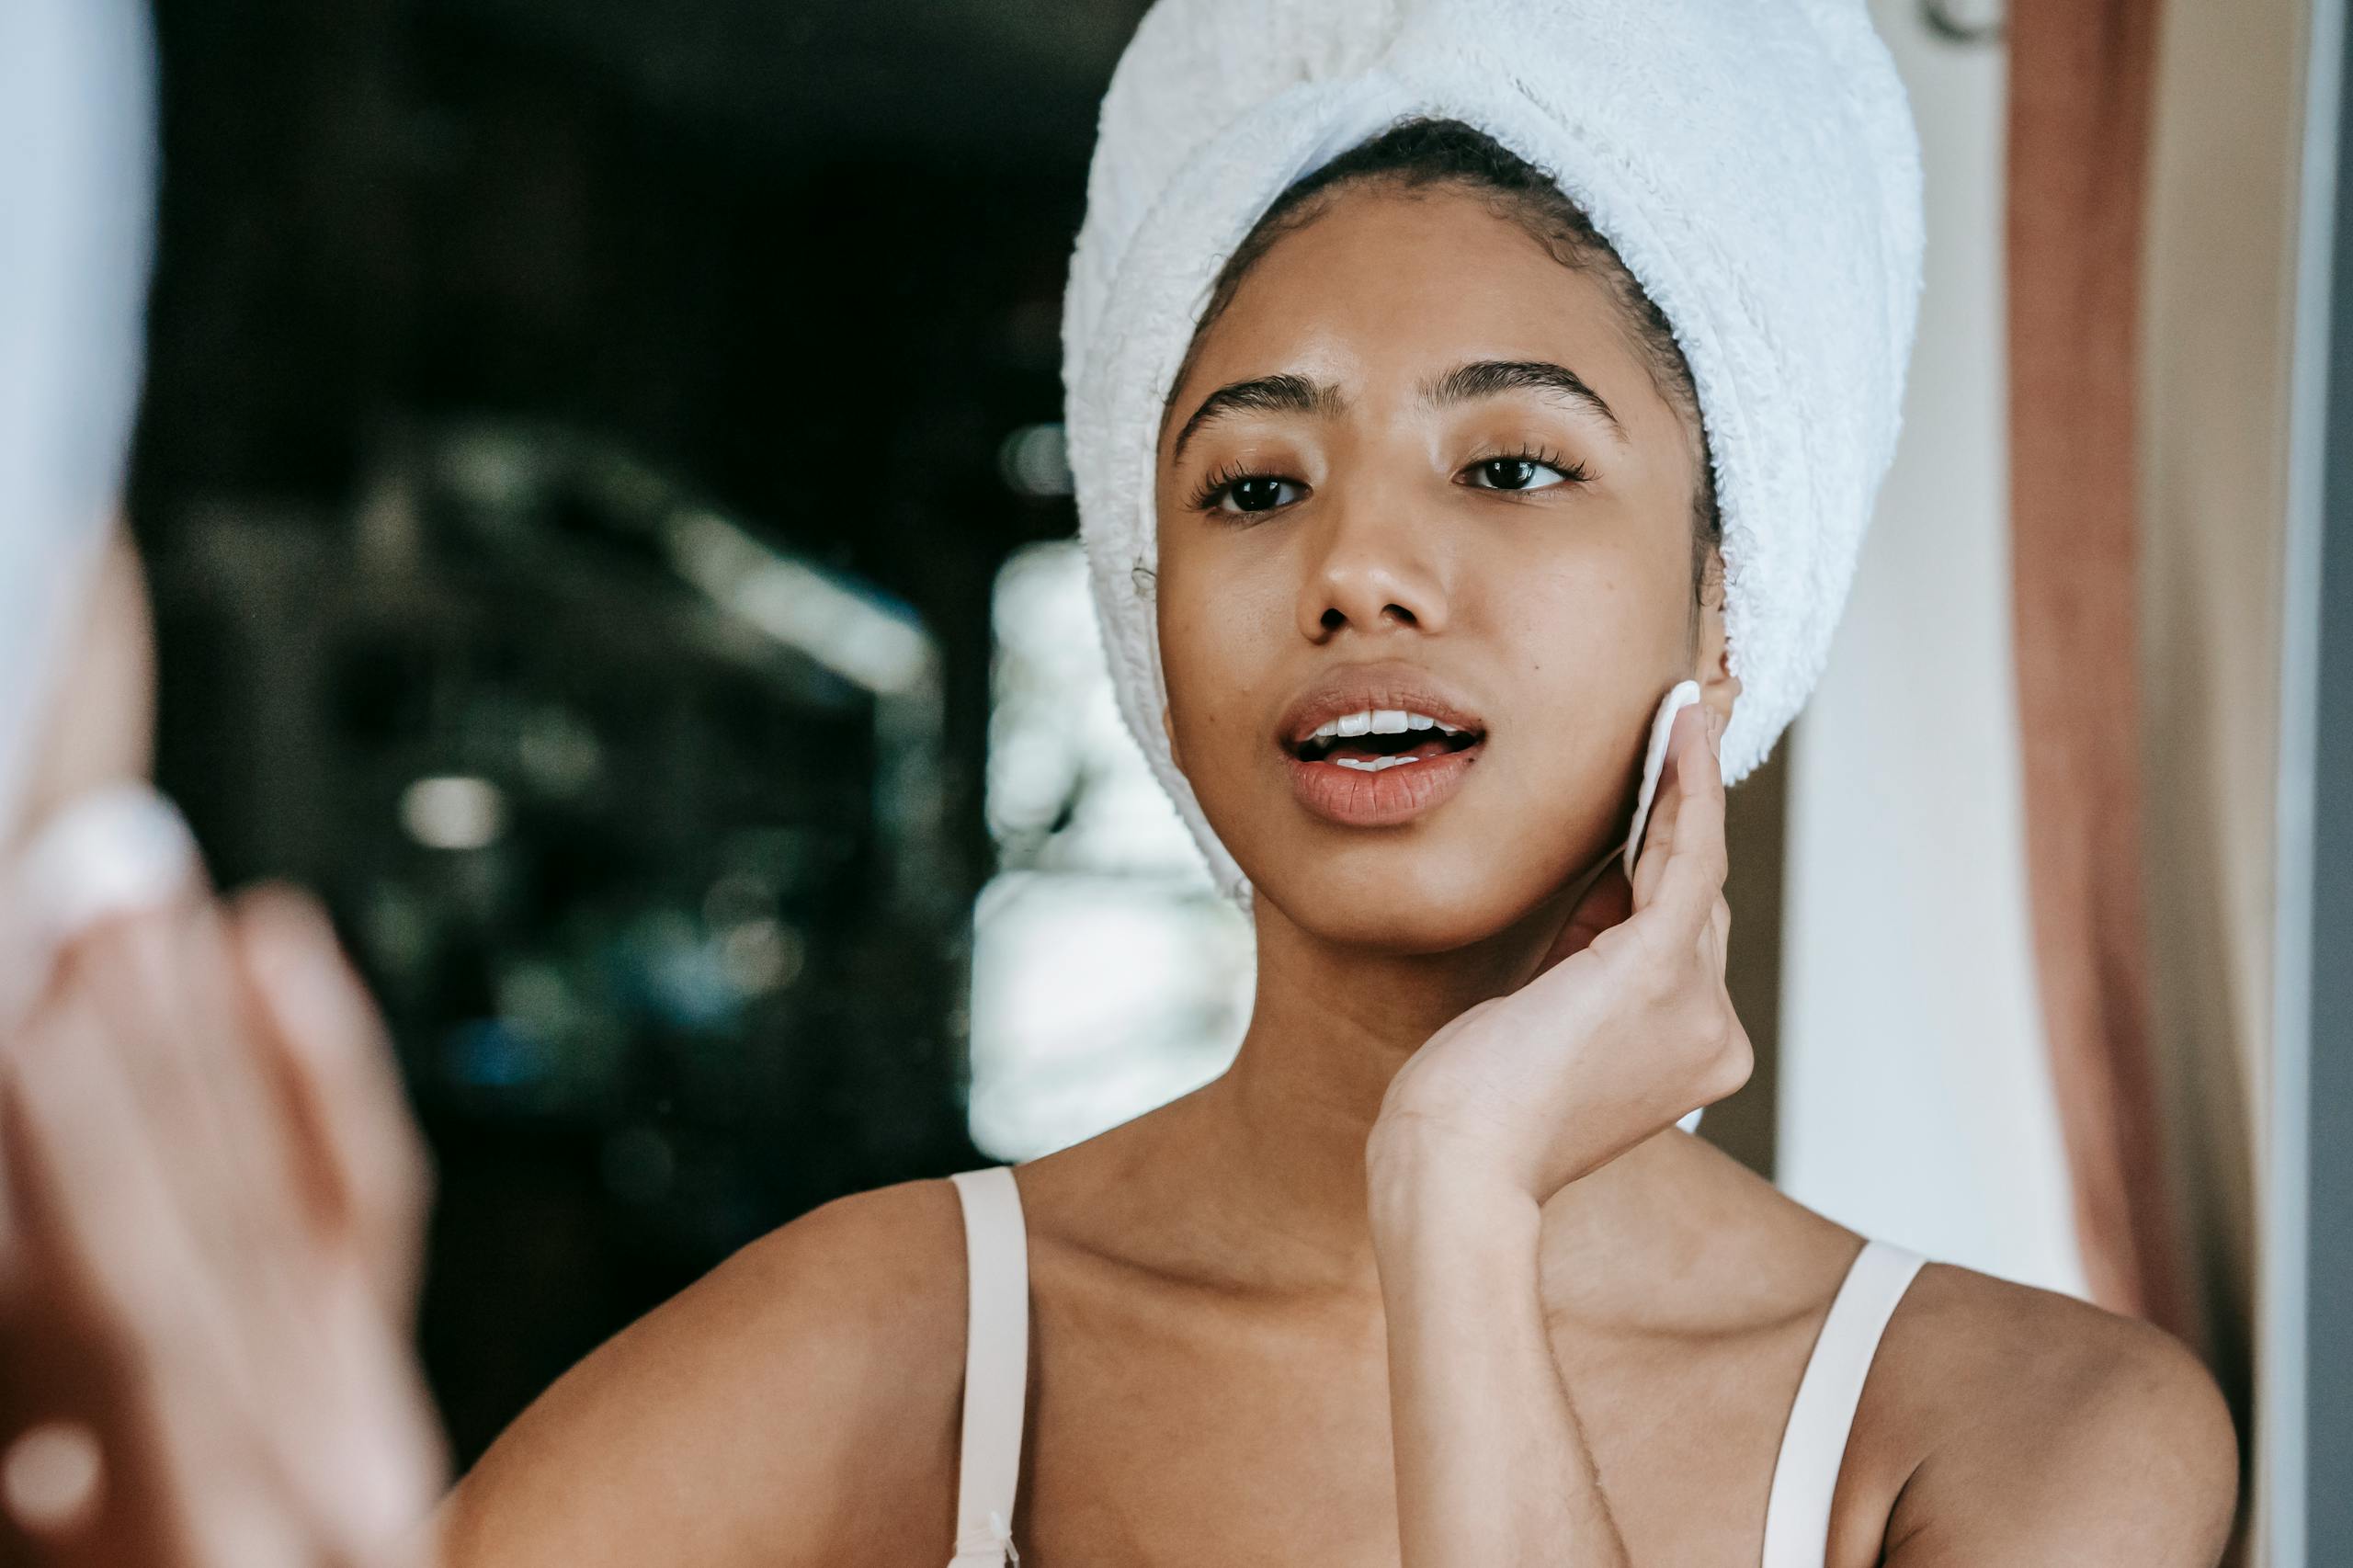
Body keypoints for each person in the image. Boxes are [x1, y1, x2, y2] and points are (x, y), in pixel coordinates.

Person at [4, 3, 2241, 1566]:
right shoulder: (884, 1341)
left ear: (1728, 596)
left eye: (1511, 460)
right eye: (1253, 483)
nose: (1358, 564)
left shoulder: (2027, 1439)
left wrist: (1456, 1204)